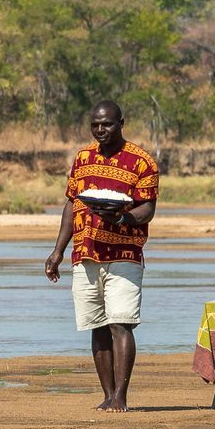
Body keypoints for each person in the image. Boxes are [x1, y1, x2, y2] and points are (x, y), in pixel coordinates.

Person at [44, 100, 159, 412]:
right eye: (95, 124)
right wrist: (58, 251)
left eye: (106, 124)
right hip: (86, 252)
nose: (100, 130)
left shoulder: (141, 162)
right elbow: (71, 205)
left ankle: (121, 396)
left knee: (121, 323)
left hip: (125, 253)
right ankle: (107, 394)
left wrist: (121, 218)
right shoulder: (83, 158)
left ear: (121, 122)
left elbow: (147, 208)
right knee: (97, 324)